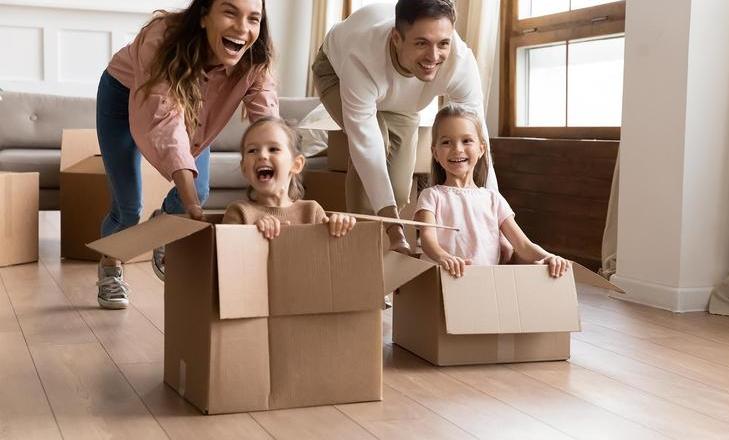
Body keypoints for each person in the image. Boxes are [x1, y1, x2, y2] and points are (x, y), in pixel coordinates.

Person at [95, 0, 278, 309]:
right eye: (230, 12)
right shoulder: (162, 38)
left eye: (253, 19)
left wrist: (281, 183)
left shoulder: (254, 60)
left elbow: (268, 124)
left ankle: (163, 223)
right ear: (204, 15)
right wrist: (189, 206)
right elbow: (165, 122)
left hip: (191, 108)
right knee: (128, 207)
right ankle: (110, 266)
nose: (242, 28)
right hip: (123, 95)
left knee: (200, 189)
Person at [312, 0, 498, 254]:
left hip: (403, 101)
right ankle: (358, 257)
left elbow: (478, 139)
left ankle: (385, 249)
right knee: (377, 143)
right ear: (396, 38)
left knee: (398, 189)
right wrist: (394, 231)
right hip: (336, 71)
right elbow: (367, 149)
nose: (434, 56)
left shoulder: (461, 61)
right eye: (421, 43)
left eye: (443, 43)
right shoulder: (361, 56)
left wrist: (497, 220)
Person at [414, 104, 570, 278]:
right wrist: (443, 256)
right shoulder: (431, 196)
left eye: (466, 140)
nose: (457, 149)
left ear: (481, 149)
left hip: (485, 285)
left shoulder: (493, 199)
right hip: (443, 281)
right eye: (446, 142)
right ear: (435, 153)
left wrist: (548, 256)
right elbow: (428, 239)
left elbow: (522, 245)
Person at [222, 116, 356, 238]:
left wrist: (339, 226)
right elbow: (226, 256)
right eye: (252, 150)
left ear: (296, 164)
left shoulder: (311, 211)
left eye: (273, 149)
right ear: (244, 168)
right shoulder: (239, 212)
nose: (262, 155)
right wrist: (253, 233)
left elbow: (325, 255)